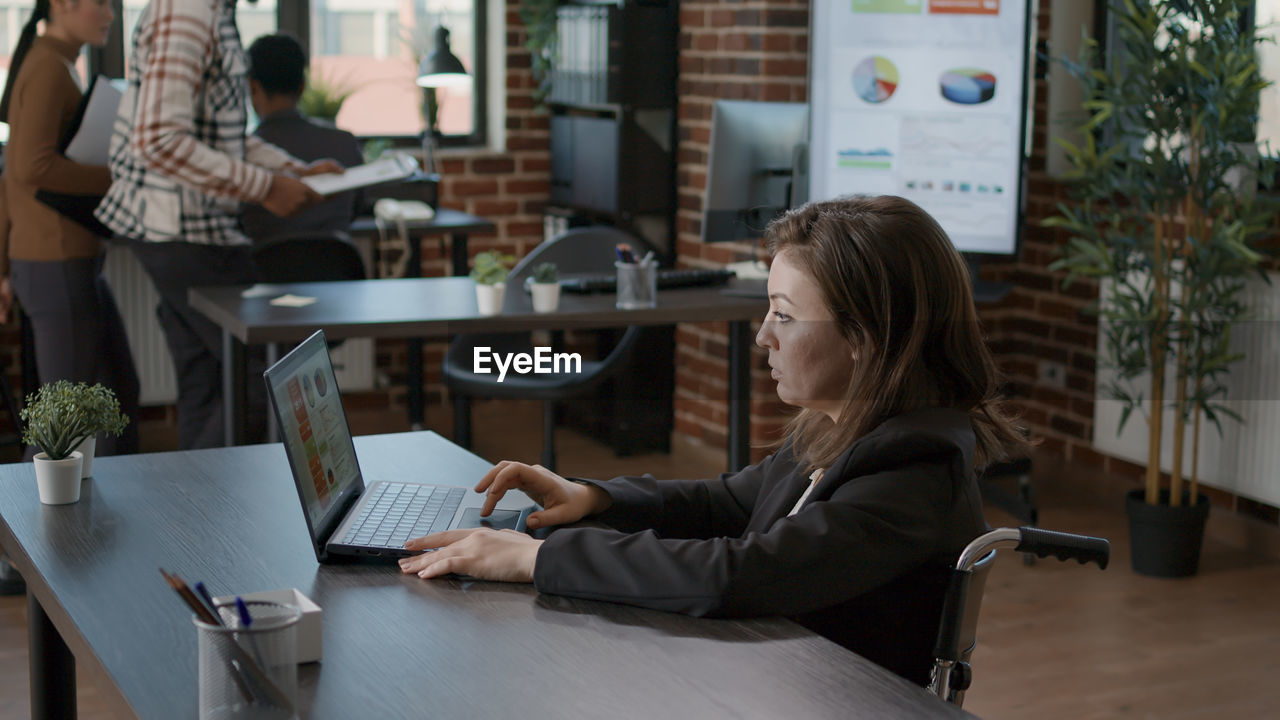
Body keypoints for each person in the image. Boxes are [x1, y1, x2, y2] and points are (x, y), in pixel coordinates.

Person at [397, 195, 1031, 685]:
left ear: (865, 339)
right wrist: (593, 499)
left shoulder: (912, 472)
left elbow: (742, 575)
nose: (762, 337)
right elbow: (729, 504)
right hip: (779, 678)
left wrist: (535, 559)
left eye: (784, 314)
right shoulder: (847, 424)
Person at [95, 0, 343, 449]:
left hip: (183, 231)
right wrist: (266, 186)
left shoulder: (212, 12)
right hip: (184, 230)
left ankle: (198, 510)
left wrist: (291, 170)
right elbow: (159, 139)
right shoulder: (189, 11)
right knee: (263, 377)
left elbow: (218, 135)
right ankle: (230, 510)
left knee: (206, 382)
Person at [0, 0, 141, 455]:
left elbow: (12, 174)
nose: (109, 15)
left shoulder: (55, 64)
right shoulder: (47, 68)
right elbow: (29, 167)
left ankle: (96, 521)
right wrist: (116, 173)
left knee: (113, 397)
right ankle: (21, 527)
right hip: (53, 261)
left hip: (65, 258)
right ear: (63, 5)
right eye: (100, 4)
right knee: (60, 427)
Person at [240, 33, 364, 244]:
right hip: (336, 272)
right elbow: (358, 209)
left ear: (251, 87)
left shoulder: (240, 157)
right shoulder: (344, 143)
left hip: (265, 274)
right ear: (302, 86)